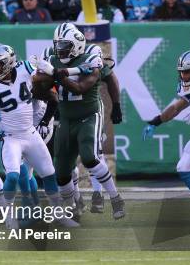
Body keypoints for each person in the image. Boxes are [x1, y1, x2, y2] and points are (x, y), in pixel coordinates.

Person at [0, 45, 75, 228]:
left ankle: (59, 214)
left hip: (30, 133)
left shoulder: (24, 69)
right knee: (13, 176)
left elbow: (46, 78)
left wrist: (50, 70)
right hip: (9, 137)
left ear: (10, 63)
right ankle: (9, 216)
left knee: (49, 174)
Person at [34, 25, 125, 220]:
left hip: (89, 113)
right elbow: (38, 79)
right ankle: (73, 206)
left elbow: (80, 87)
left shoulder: (92, 56)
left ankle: (116, 198)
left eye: (65, 46)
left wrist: (116, 105)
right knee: (61, 171)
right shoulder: (52, 57)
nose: (60, 50)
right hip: (66, 117)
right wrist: (52, 74)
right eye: (58, 45)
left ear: (76, 45)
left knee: (90, 157)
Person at [142, 50, 190, 222]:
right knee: (184, 166)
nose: (183, 75)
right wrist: (155, 122)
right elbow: (176, 107)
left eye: (187, 71)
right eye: (181, 72)